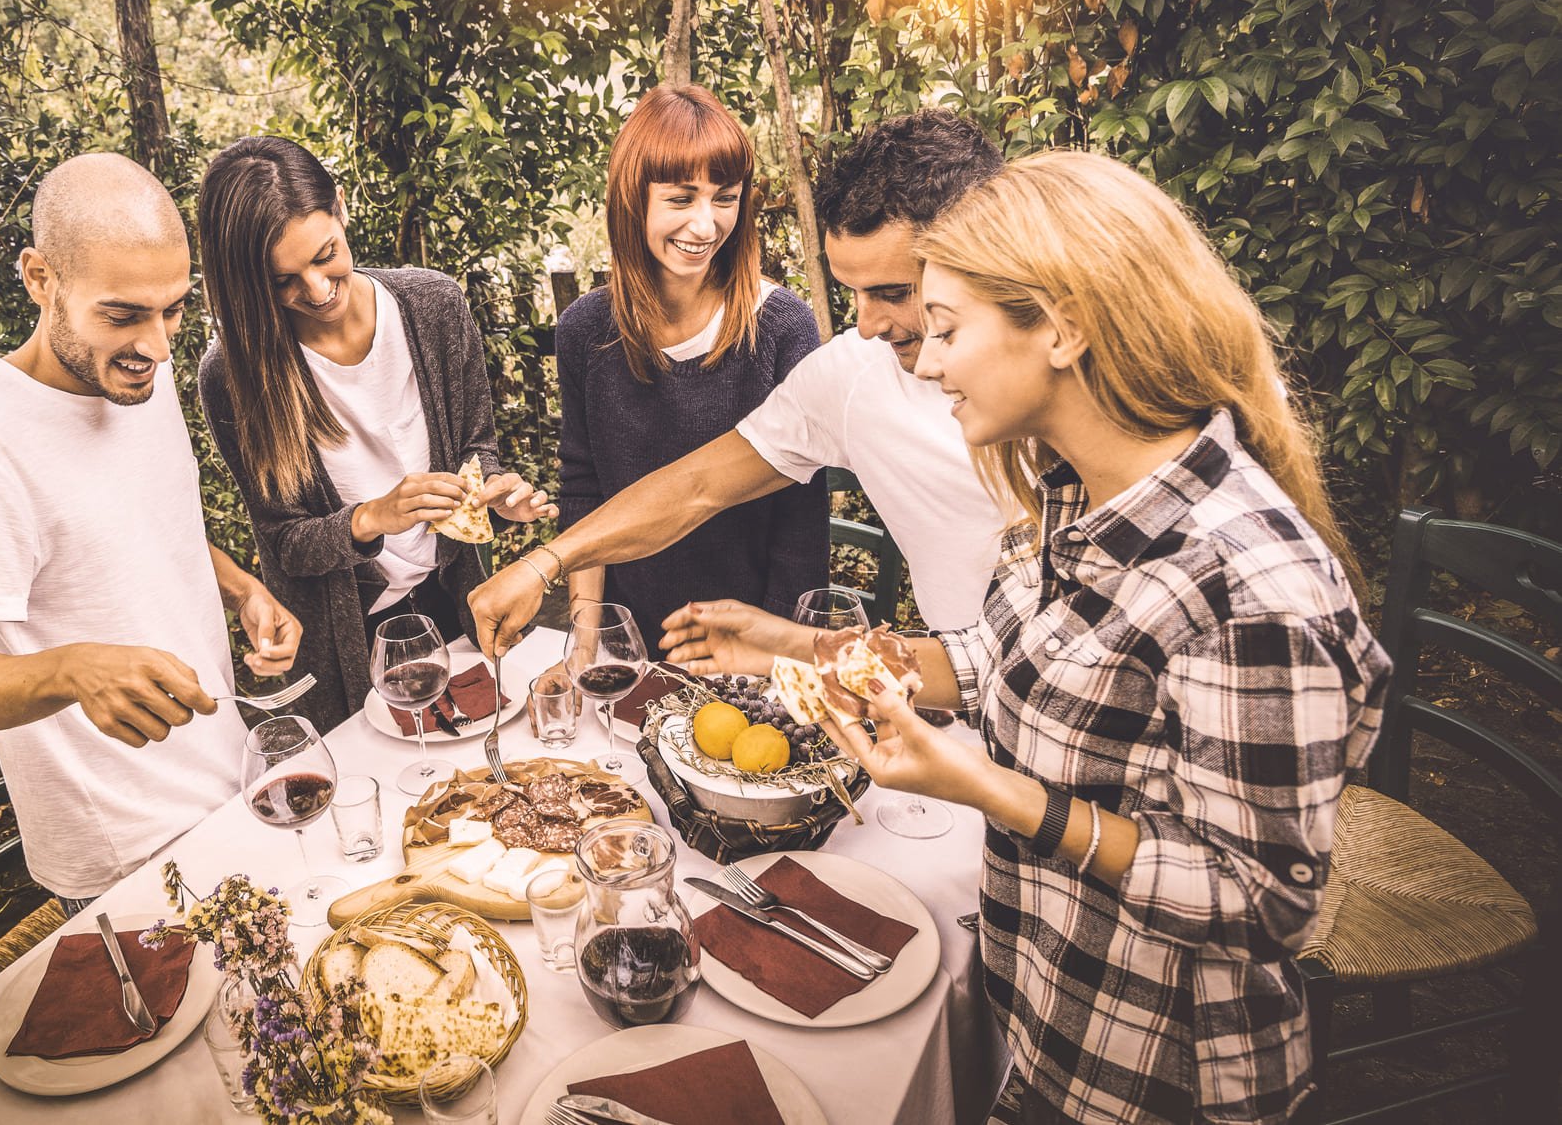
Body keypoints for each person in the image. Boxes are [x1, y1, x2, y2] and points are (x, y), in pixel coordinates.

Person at [812, 151, 1388, 1123]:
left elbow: (1261, 901)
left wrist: (988, 790)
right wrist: (792, 651)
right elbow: (1006, 667)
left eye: (948, 329)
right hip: (1047, 1031)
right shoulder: (1075, 498)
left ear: (1064, 328)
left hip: (1156, 1079)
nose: (929, 358)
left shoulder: (1247, 588)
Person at [0, 152, 304, 913]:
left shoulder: (131, 375)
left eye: (175, 309)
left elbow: (129, 529)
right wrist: (74, 670)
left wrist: (242, 588)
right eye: (123, 315)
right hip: (132, 854)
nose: (158, 346)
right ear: (40, 279)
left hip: (228, 783)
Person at [471, 107, 1008, 665]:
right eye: (853, 293)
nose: (866, 324)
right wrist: (544, 565)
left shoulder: (1066, 385)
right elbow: (695, 486)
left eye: (894, 293)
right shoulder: (852, 373)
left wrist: (783, 646)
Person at [195, 136, 554, 733]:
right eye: (282, 280)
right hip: (345, 643)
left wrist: (491, 490)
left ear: (340, 207)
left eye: (325, 255)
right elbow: (284, 543)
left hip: (454, 602)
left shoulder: (434, 306)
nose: (316, 291)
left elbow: (475, 448)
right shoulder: (233, 375)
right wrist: (372, 518)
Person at [551, 83, 827, 645]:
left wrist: (773, 649)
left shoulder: (782, 327)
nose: (705, 227)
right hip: (627, 636)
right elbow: (584, 489)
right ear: (634, 199)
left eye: (724, 198)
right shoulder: (584, 331)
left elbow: (802, 520)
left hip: (748, 640)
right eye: (681, 199)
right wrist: (586, 642)